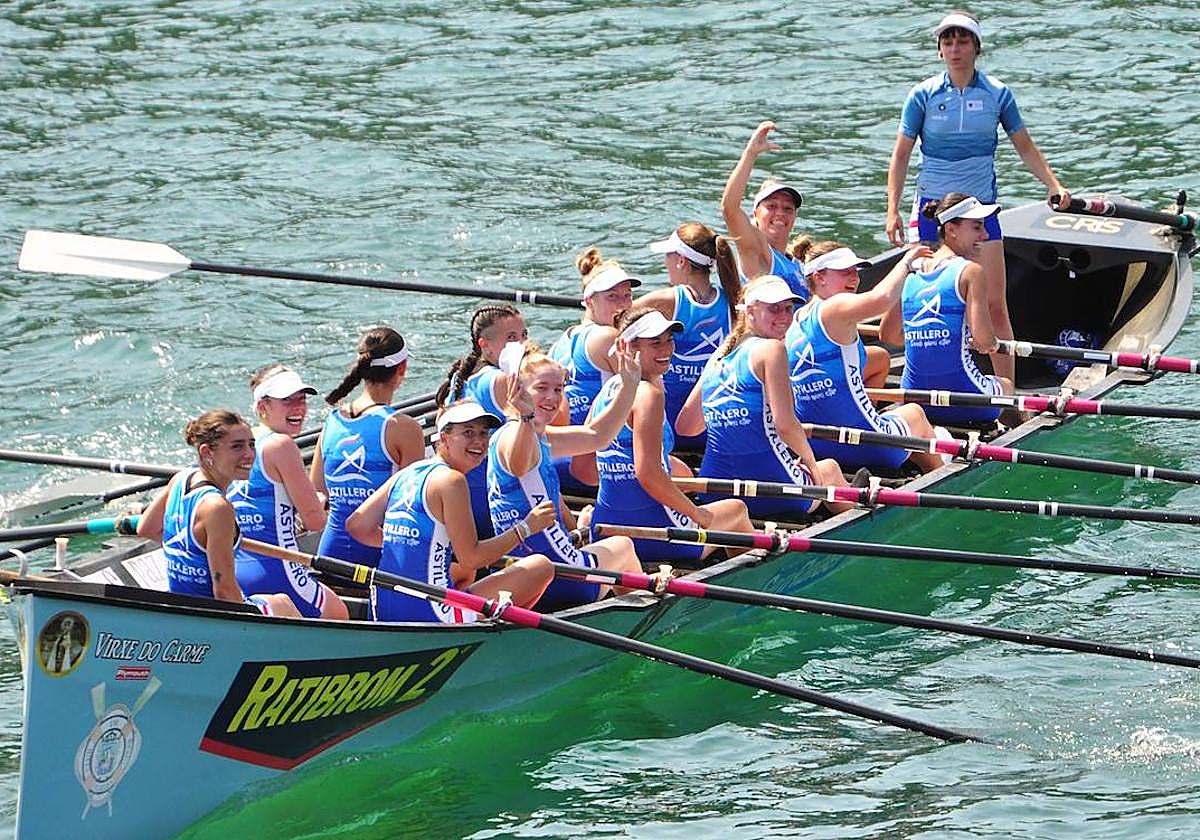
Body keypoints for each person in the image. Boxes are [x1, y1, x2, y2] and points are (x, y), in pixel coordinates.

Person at [885, 10, 1071, 383]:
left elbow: (1025, 146)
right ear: (940, 51)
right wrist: (891, 210)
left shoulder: (998, 94)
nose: (955, 48)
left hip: (981, 210)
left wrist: (1054, 185)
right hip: (933, 211)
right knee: (933, 305)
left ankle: (1009, 393)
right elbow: (901, 155)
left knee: (994, 304)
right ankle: (927, 379)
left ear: (976, 48)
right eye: (948, 42)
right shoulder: (922, 95)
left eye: (962, 41)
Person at [347, 401, 556, 623]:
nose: (479, 441)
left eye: (484, 433)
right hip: (430, 612)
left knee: (461, 574)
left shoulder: (408, 472)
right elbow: (472, 558)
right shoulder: (452, 481)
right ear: (443, 439)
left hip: (382, 608)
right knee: (541, 567)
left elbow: (358, 526)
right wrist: (526, 527)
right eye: (467, 432)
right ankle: (494, 637)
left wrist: (413, 547)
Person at [677, 276, 856, 519]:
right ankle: (865, 527)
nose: (784, 317)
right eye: (774, 309)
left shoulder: (719, 354)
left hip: (716, 489)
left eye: (788, 308)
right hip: (775, 490)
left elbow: (687, 426)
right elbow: (785, 425)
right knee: (830, 469)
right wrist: (812, 465)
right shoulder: (772, 349)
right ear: (750, 311)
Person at [591, 305, 754, 563]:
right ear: (630, 347)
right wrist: (697, 515)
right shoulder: (648, 395)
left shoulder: (607, 390)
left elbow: (585, 469)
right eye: (655, 343)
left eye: (669, 340)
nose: (667, 350)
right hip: (656, 530)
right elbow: (648, 474)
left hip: (604, 528)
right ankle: (752, 586)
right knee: (736, 510)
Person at [489, 344, 643, 610]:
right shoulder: (514, 437)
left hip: (522, 573)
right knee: (623, 546)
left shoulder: (537, 435)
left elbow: (597, 436)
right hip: (565, 577)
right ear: (517, 390)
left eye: (559, 389)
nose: (552, 397)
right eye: (542, 388)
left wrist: (629, 385)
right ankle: (643, 617)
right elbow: (518, 465)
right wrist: (526, 416)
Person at [786, 241, 946, 474]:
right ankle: (941, 478)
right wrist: (906, 263)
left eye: (855, 271)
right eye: (844, 272)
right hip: (870, 446)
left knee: (878, 358)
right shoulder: (835, 307)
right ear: (819, 277)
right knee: (915, 414)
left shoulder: (795, 320)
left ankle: (905, 464)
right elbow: (881, 299)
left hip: (816, 445)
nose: (854, 278)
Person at [136, 410, 298, 616]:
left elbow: (146, 528)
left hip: (179, 606)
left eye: (251, 444)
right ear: (206, 452)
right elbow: (224, 592)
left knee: (276, 600)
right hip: (209, 616)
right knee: (283, 603)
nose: (249, 454)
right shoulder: (217, 507)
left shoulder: (181, 479)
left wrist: (193, 553)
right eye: (237, 446)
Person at [881, 194, 1015, 426]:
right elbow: (984, 342)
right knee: (1006, 385)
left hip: (914, 399)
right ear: (951, 229)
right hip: (967, 401)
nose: (984, 236)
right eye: (976, 227)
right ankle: (1016, 425)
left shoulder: (911, 272)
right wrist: (989, 343)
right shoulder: (971, 271)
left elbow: (889, 336)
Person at [228, 364, 349, 619]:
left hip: (235, 569)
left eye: (301, 399)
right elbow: (315, 522)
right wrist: (320, 501)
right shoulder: (281, 445)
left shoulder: (237, 444)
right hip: (279, 569)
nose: (298, 408)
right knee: (339, 612)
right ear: (263, 407)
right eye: (287, 401)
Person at [310, 327, 425, 568]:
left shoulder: (332, 420)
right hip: (381, 552)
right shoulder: (403, 427)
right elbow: (412, 506)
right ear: (402, 369)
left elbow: (318, 490)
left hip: (331, 553)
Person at [641, 222, 742, 450]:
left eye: (668, 255)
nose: (665, 263)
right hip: (712, 431)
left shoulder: (666, 301)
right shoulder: (735, 302)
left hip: (667, 430)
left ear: (682, 261)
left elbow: (618, 323)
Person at [548, 247, 639, 492]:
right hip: (592, 459)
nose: (623, 305)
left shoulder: (561, 341)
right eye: (612, 297)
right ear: (589, 301)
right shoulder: (608, 336)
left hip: (559, 456)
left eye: (627, 295)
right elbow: (643, 397)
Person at [435, 304, 529, 538]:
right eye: (511, 338)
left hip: (459, 503)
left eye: (523, 335)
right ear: (484, 345)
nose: (522, 344)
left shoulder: (460, 376)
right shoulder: (500, 380)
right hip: (491, 505)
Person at [721, 121, 808, 298]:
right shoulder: (756, 253)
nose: (780, 213)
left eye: (788, 208)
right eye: (771, 206)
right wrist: (750, 154)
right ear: (755, 214)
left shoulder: (797, 265)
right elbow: (730, 208)